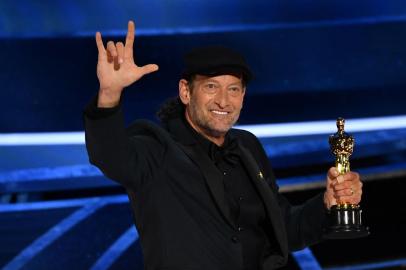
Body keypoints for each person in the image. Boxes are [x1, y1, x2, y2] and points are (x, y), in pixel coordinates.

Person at [84, 21, 363, 270]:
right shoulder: (156, 147)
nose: (223, 101)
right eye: (211, 87)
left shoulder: (248, 146)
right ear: (185, 91)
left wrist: (327, 205)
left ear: (243, 96)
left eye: (233, 89)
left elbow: (284, 229)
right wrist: (109, 94)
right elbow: (109, 155)